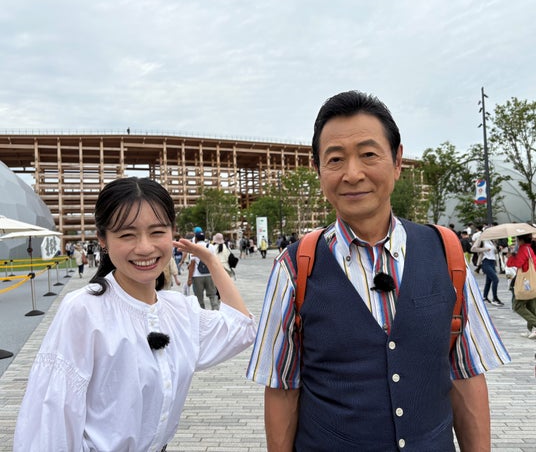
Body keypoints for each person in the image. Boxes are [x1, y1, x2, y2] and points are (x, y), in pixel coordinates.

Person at [247, 90, 510, 451]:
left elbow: (466, 374)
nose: (353, 174)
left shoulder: (446, 253)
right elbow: (282, 388)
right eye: (335, 159)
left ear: (397, 160)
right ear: (318, 170)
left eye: (369, 154)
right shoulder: (295, 268)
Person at [14, 177, 256, 452]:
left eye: (157, 232)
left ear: (173, 233)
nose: (144, 248)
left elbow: (241, 328)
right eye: (127, 235)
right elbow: (50, 423)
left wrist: (211, 259)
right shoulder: (83, 310)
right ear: (103, 240)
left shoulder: (179, 310)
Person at [506, 234, 536, 339]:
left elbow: (518, 263)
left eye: (517, 239)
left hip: (525, 281)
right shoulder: (530, 248)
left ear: (521, 240)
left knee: (517, 306)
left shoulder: (523, 249)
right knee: (531, 305)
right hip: (532, 280)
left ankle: (534, 326)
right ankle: (531, 330)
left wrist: (510, 257)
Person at [188, 231, 219, 310]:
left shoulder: (194, 247)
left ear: (196, 238)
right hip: (209, 274)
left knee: (199, 297)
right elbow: (214, 261)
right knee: (213, 295)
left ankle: (202, 313)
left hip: (197, 276)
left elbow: (192, 264)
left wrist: (189, 278)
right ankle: (216, 311)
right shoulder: (210, 246)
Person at [471, 235, 504, 306]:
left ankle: (485, 297)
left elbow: (494, 252)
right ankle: (495, 299)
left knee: (488, 281)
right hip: (485, 262)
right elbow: (473, 249)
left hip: (492, 262)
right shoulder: (481, 239)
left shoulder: (492, 241)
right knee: (495, 279)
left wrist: (498, 249)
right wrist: (484, 249)